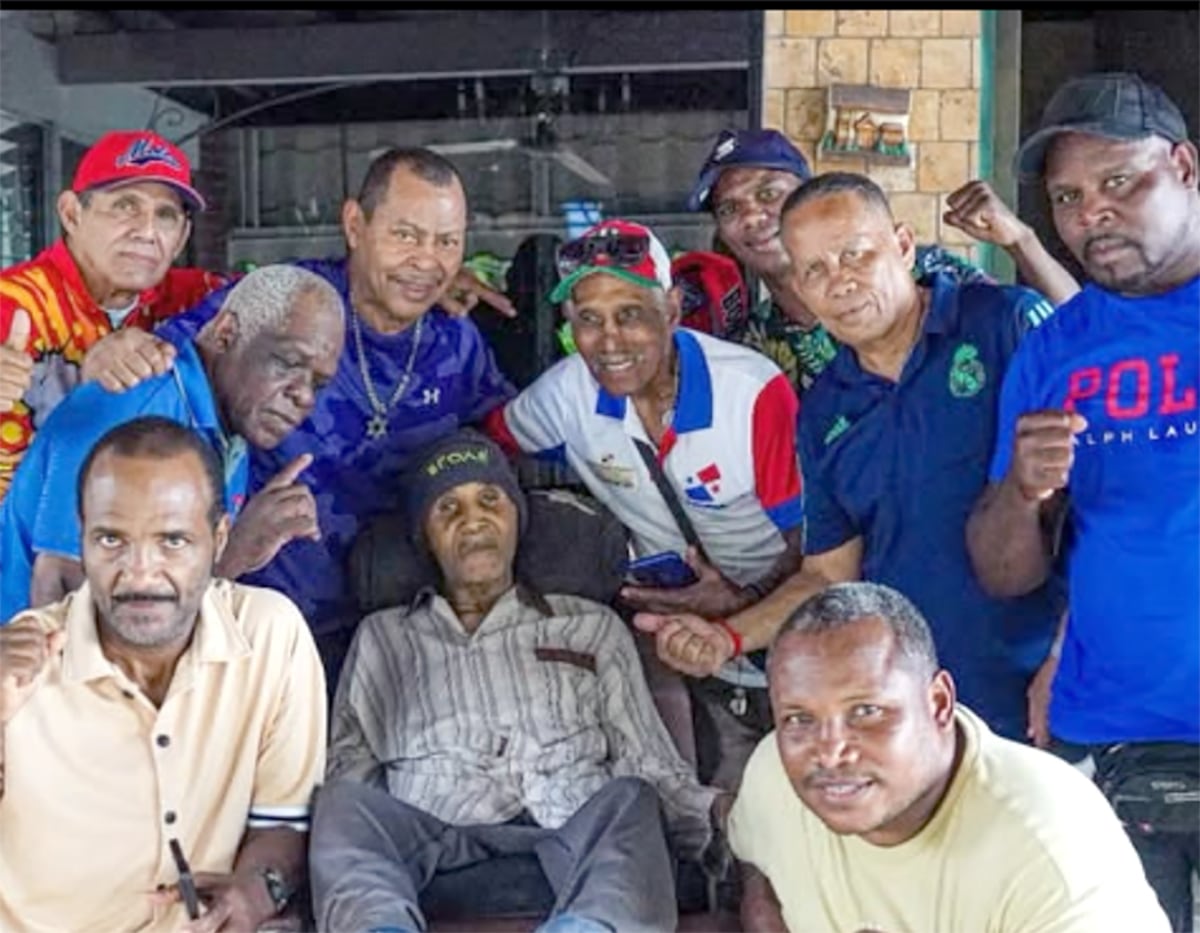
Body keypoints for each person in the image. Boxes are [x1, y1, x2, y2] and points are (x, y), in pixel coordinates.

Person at [639, 173, 1060, 743]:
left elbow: (1101, 501)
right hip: (911, 714)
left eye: (855, 254)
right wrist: (727, 638)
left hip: (1043, 697)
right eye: (815, 270)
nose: (840, 282)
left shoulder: (1002, 322)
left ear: (904, 246)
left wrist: (1069, 657)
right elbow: (826, 575)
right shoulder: (821, 411)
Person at [82, 148, 517, 680]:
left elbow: (510, 436)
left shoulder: (458, 342)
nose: (427, 260)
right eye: (406, 235)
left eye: (447, 242)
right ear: (355, 224)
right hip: (253, 624)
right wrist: (107, 350)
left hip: (397, 635)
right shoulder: (292, 304)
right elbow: (174, 360)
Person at [310, 430, 722, 933]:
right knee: (339, 804)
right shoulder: (383, 637)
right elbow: (353, 772)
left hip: (572, 839)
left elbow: (650, 762)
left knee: (633, 798)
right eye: (448, 509)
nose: (474, 519)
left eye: (490, 500)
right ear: (426, 538)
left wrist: (722, 826)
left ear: (515, 521)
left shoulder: (590, 624)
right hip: (437, 847)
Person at [966, 72, 1199, 930]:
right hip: (1108, 735)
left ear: (1183, 165)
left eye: (1118, 182)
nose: (1089, 213)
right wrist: (1023, 492)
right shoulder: (1053, 346)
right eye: (1065, 197)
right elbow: (1003, 573)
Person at [484, 218, 804, 787]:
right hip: (678, 643)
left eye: (630, 313)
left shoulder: (751, 393)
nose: (608, 341)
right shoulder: (568, 395)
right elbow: (481, 449)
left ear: (673, 311)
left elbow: (816, 544)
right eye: (588, 319)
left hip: (787, 631)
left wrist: (740, 600)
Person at [0, 417, 327, 932]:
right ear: (81, 536)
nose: (141, 572)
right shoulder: (19, 670)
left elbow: (283, 823)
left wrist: (254, 895)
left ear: (219, 538)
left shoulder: (269, 637)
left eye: (172, 541)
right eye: (111, 540)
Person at [728, 581, 1169, 933]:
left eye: (865, 712)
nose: (829, 750)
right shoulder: (774, 775)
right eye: (800, 718)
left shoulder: (1050, 841)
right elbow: (756, 861)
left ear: (938, 703)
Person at [0, 264, 344, 619]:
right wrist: (235, 551)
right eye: (288, 362)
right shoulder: (136, 404)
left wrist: (235, 551)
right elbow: (59, 590)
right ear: (226, 333)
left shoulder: (229, 428)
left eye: (317, 383)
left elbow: (154, 602)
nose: (304, 395)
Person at [687, 127, 1078, 395]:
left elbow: (1079, 336)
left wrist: (1021, 241)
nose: (753, 217)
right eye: (730, 209)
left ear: (807, 193)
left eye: (769, 193)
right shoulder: (752, 347)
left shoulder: (922, 273)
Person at [0, 129, 228, 501]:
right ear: (72, 214)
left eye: (166, 215)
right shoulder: (12, 303)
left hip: (136, 548)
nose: (147, 231)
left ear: (183, 237)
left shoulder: (200, 300)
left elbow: (289, 298)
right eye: (126, 206)